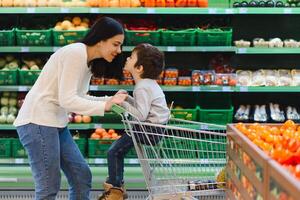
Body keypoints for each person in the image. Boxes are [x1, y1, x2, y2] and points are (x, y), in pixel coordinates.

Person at [13, 17, 128, 200]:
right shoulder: (76, 53)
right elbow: (68, 101)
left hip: (55, 123)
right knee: (48, 185)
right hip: (37, 121)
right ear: (101, 40)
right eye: (115, 44)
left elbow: (78, 96)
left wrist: (109, 100)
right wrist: (104, 105)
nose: (119, 50)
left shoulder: (89, 62)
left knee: (81, 176)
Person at [98, 43, 170, 200]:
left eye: (131, 57)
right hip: (152, 129)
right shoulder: (148, 84)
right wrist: (128, 98)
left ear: (139, 68)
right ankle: (116, 188)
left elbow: (140, 115)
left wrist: (122, 103)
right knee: (117, 151)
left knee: (114, 152)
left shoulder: (142, 87)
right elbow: (143, 108)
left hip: (148, 130)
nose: (127, 58)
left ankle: (115, 192)